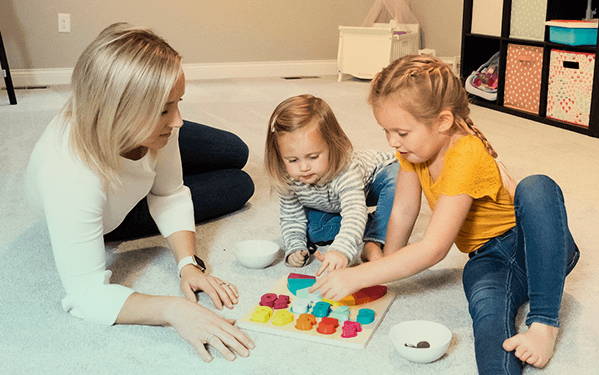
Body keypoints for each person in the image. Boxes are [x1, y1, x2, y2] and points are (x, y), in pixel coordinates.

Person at [310, 55, 580, 374]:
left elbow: (435, 248)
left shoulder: (465, 153)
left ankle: (544, 324)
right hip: (487, 259)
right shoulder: (412, 151)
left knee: (537, 187)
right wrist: (384, 268)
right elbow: (404, 210)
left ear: (442, 121)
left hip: (534, 244)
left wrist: (358, 275)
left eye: (401, 132)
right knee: (488, 318)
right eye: (386, 131)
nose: (392, 142)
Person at [25, 23, 255, 363]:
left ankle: (147, 150)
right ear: (120, 111)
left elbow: (169, 192)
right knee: (239, 185)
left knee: (236, 152)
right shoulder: (71, 174)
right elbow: (86, 295)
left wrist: (189, 265)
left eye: (178, 102)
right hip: (109, 216)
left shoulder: (161, 123)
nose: (178, 120)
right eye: (164, 109)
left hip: (128, 138)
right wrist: (173, 310)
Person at [264, 94, 399, 276]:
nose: (304, 167)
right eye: (292, 159)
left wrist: (341, 250)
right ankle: (377, 222)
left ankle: (374, 240)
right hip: (332, 203)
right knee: (312, 231)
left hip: (375, 181)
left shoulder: (345, 168)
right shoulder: (288, 176)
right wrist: (295, 247)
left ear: (332, 145)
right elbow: (291, 218)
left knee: (398, 178)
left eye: (313, 157)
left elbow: (353, 210)